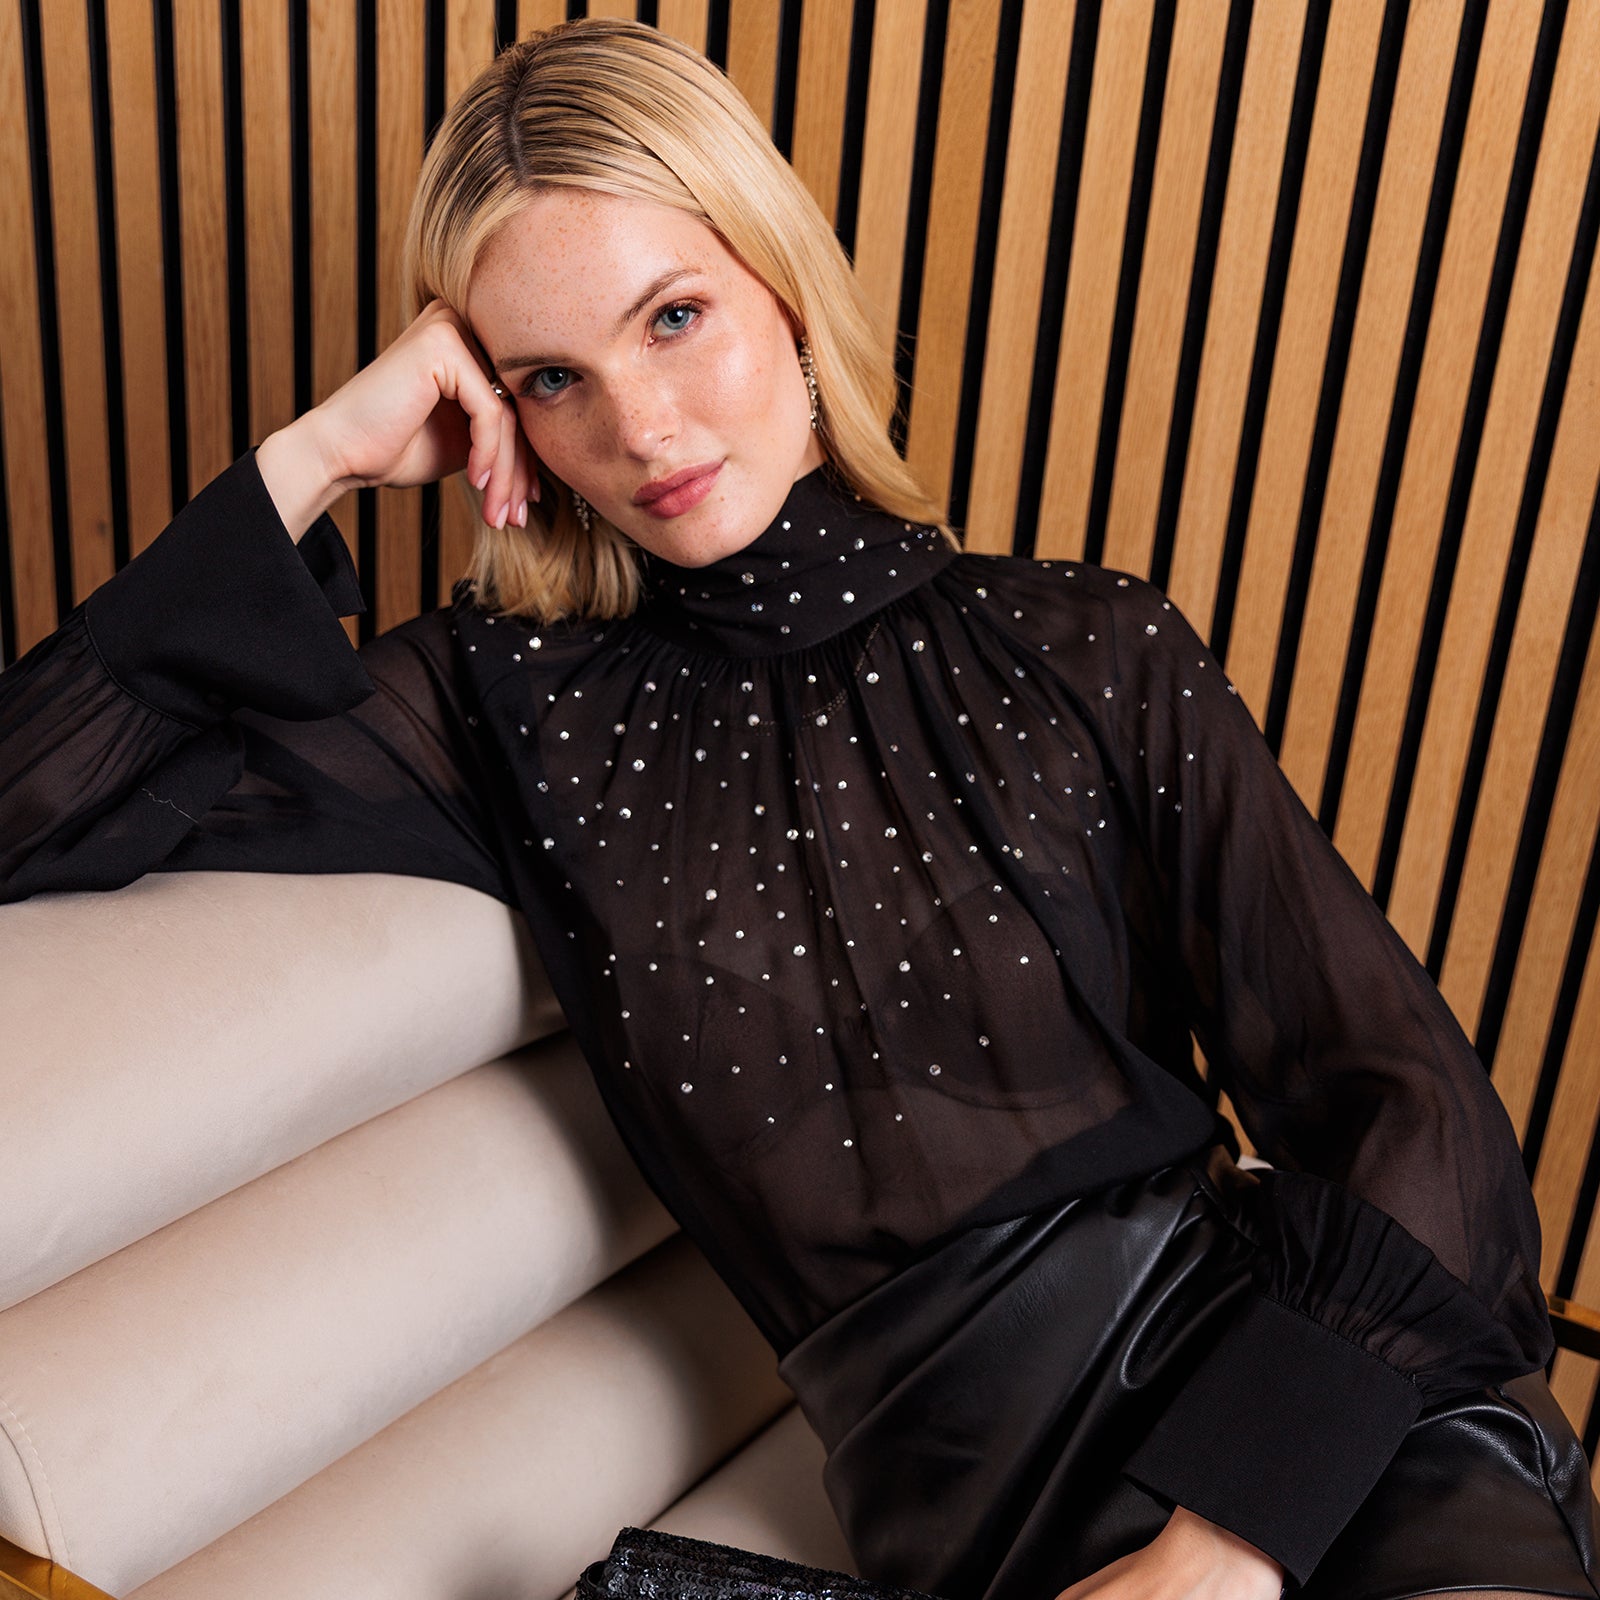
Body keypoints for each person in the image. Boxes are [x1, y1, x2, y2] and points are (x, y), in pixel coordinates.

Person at [2, 18, 1595, 1600]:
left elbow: (1408, 1104)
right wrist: (314, 459)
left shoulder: (1092, 648)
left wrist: (1221, 1549)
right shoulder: (499, 707)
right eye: (553, 378)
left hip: (1295, 1418)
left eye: (675, 317)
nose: (640, 428)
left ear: (784, 281)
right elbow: (31, 809)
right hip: (972, 1512)